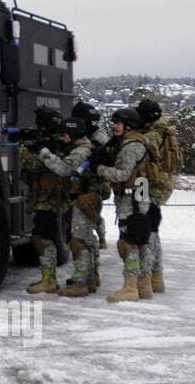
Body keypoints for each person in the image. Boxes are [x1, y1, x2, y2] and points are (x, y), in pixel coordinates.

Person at [37, 116, 106, 297]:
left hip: (83, 200)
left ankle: (80, 282)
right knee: (87, 240)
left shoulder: (80, 152)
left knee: (78, 241)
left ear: (74, 134)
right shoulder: (85, 148)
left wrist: (44, 153)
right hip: (87, 199)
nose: (63, 138)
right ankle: (90, 278)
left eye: (66, 135)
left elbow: (64, 170)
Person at [95, 107, 157, 303]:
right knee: (141, 241)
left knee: (128, 241)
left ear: (129, 125)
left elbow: (122, 174)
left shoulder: (130, 146)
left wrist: (100, 168)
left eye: (119, 123)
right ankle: (144, 285)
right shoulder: (140, 142)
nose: (115, 126)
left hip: (130, 199)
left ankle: (130, 287)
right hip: (141, 196)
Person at [19, 107, 70, 295]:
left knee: (42, 237)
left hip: (50, 198)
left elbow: (33, 164)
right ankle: (48, 277)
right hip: (45, 196)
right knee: (42, 235)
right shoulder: (55, 142)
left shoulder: (56, 145)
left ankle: (49, 279)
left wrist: (27, 150)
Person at [136, 97, 182, 293]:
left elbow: (140, 153)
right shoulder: (167, 132)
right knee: (153, 228)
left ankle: (147, 279)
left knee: (146, 230)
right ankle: (157, 278)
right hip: (164, 183)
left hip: (152, 185)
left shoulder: (152, 135)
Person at [72, 101, 109, 249]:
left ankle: (100, 235)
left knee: (91, 210)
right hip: (81, 178)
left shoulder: (99, 137)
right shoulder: (83, 135)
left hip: (95, 180)